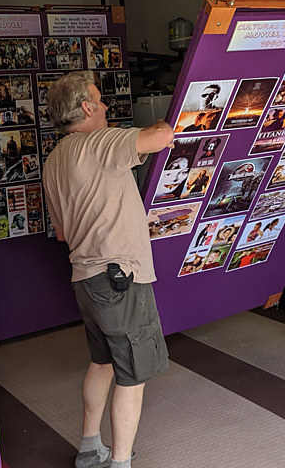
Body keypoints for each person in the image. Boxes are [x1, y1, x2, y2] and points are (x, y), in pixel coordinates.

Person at [44, 71, 173, 468]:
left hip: (86, 278)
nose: (104, 106)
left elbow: (63, 233)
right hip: (121, 277)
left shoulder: (53, 161)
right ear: (86, 107)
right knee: (132, 376)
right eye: (99, 100)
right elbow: (161, 137)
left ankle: (89, 447)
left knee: (102, 362)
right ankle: (120, 462)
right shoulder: (100, 142)